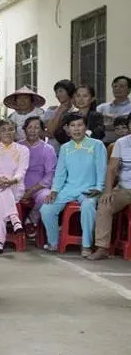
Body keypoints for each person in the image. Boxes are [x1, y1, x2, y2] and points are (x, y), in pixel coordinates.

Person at [41, 113, 106, 256]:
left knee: (88, 206)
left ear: (86, 127)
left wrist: (99, 188)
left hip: (90, 189)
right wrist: (54, 190)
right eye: (72, 126)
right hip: (68, 189)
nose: (76, 129)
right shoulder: (65, 148)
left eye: (80, 125)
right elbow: (60, 173)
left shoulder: (97, 145)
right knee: (46, 209)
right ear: (67, 129)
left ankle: (87, 245)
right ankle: (53, 242)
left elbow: (102, 169)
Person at [0, 120, 29, 254]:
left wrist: (11, 180)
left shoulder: (23, 150)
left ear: (15, 131)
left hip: (15, 186)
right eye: (3, 129)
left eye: (11, 129)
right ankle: (14, 218)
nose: (7, 132)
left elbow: (22, 171)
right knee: (1, 190)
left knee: (0, 197)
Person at [90, 130, 131, 260]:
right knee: (104, 204)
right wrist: (108, 191)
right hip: (124, 189)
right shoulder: (121, 143)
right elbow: (111, 168)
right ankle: (102, 248)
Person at [19, 117, 56, 237]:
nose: (33, 130)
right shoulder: (17, 146)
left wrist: (31, 191)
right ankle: (11, 224)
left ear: (41, 130)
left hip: (39, 187)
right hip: (17, 184)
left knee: (46, 197)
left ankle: (31, 219)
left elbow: (50, 174)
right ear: (24, 129)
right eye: (29, 127)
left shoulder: (48, 149)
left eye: (36, 127)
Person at [43, 79, 76, 153]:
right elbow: (50, 132)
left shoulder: (76, 111)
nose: (58, 94)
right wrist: (59, 112)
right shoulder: (51, 111)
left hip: (72, 150)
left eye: (61, 91)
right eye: (56, 92)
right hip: (54, 150)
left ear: (69, 91)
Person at [97, 76, 131, 144]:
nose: (117, 89)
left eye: (121, 86)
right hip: (103, 143)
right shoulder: (101, 107)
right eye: (115, 86)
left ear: (129, 90)